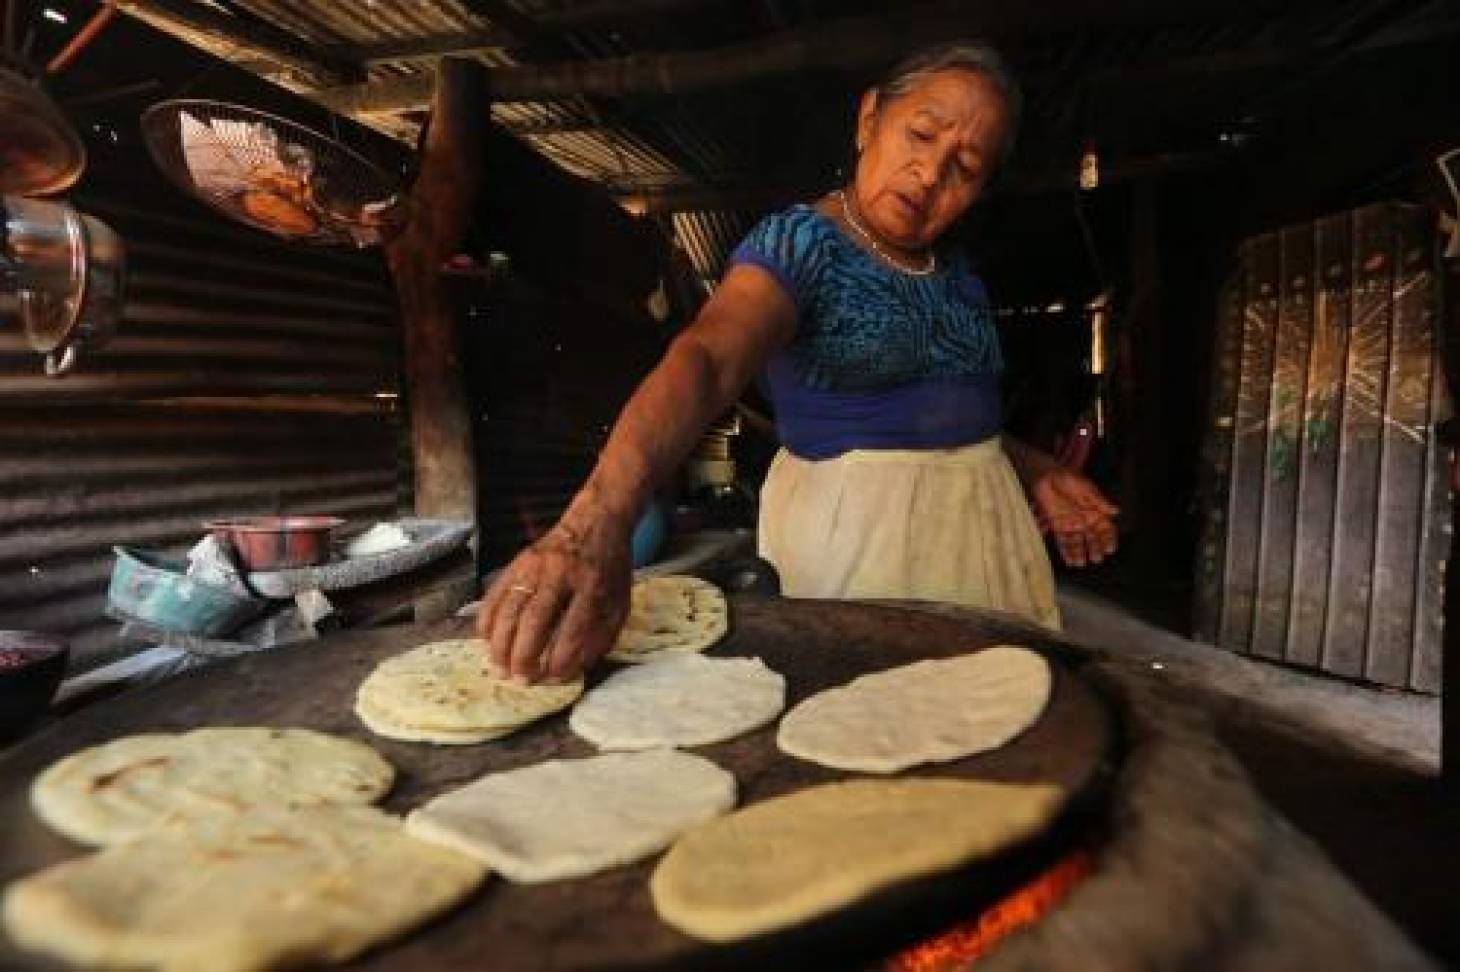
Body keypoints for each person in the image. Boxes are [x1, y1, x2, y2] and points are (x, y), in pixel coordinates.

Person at [479, 41, 1118, 685]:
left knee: (997, 725)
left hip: (986, 549)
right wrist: (596, 521)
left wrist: (1035, 471)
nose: (930, 174)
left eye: (965, 167)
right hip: (868, 558)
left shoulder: (956, 276)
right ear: (870, 119)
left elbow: (947, 419)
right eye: (920, 135)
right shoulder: (801, 246)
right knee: (876, 733)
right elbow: (708, 358)